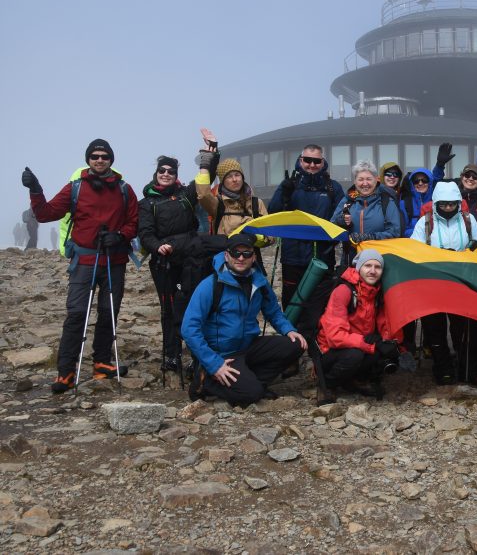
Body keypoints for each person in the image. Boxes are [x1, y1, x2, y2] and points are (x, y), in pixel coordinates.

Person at [23, 139, 139, 393]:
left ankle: (101, 363)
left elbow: (134, 221)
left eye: (105, 156)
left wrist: (120, 235)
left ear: (111, 159)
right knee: (77, 313)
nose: (99, 160)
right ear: (88, 159)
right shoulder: (75, 188)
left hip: (114, 260)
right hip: (84, 261)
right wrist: (35, 189)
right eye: (95, 156)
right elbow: (45, 214)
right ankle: (65, 372)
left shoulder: (124, 189)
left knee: (109, 312)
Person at [181, 234, 307, 406]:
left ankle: (252, 382)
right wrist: (214, 363)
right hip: (222, 353)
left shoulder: (259, 282)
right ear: (227, 255)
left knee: (296, 344)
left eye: (246, 254)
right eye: (235, 253)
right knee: (251, 394)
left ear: (254, 256)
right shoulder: (210, 285)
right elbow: (189, 329)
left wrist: (289, 330)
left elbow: (273, 312)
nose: (241, 258)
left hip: (248, 346)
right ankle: (207, 382)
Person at [411, 181, 477, 385]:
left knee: (464, 329)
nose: (447, 208)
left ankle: (467, 369)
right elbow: (414, 250)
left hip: (462, 282)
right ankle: (443, 368)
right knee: (434, 329)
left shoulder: (468, 220)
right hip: (433, 283)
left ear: (457, 203)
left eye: (452, 204)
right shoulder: (425, 223)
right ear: (436, 203)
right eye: (443, 204)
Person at [138, 156, 201, 372]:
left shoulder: (186, 195)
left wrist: (211, 153)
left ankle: (196, 356)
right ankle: (172, 355)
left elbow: (205, 179)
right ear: (156, 173)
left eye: (170, 172)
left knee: (194, 306)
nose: (166, 174)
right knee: (169, 309)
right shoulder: (147, 203)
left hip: (190, 259)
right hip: (163, 262)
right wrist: (157, 247)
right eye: (162, 171)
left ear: (176, 176)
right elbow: (145, 233)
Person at [315, 249, 404, 403]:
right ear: (358, 268)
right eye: (367, 265)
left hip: (354, 344)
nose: (372, 271)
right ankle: (326, 384)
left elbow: (385, 325)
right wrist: (369, 344)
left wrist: (391, 343)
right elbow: (335, 337)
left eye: (377, 267)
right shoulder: (344, 291)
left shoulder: (375, 293)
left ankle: (354, 380)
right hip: (330, 351)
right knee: (355, 355)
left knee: (381, 351)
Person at [268, 144, 344, 305]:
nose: (312, 164)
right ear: (300, 160)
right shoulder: (289, 185)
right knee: (292, 303)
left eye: (316, 161)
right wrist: (284, 191)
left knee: (320, 304)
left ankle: (314, 331)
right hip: (293, 257)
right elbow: (273, 212)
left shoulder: (333, 187)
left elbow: (340, 220)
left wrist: (331, 242)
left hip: (323, 256)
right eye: (307, 160)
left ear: (323, 163)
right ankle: (290, 330)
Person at [194, 131, 272, 257]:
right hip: (223, 259)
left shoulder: (256, 203)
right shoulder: (217, 203)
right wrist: (205, 165)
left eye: (237, 175)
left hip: (249, 259)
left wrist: (253, 238)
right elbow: (203, 194)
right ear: (223, 181)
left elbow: (270, 236)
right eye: (229, 177)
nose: (235, 179)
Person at [331, 160, 403, 266]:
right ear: (355, 181)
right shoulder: (347, 200)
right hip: (350, 260)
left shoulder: (386, 201)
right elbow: (332, 226)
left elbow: (394, 232)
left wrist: (369, 237)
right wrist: (341, 221)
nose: (365, 183)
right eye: (360, 179)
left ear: (376, 180)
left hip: (380, 260)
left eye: (369, 179)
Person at [400, 167, 434, 237]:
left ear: (430, 182)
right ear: (412, 184)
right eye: (416, 181)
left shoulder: (436, 201)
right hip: (412, 243)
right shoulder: (404, 203)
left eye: (424, 180)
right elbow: (402, 230)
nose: (420, 183)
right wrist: (421, 232)